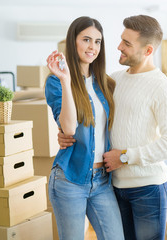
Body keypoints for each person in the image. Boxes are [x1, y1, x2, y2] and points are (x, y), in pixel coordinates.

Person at [58, 15, 167, 240]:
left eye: (127, 44)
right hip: (113, 185)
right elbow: (91, 117)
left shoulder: (163, 87)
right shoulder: (112, 80)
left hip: (147, 188)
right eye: (121, 40)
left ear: (147, 51)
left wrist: (125, 157)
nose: (118, 47)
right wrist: (66, 134)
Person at [45, 16, 124, 240]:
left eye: (98, 41)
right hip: (70, 179)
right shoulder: (56, 82)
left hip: (102, 181)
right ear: (73, 41)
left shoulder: (105, 83)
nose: (93, 47)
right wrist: (65, 78)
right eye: (86, 39)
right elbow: (68, 129)